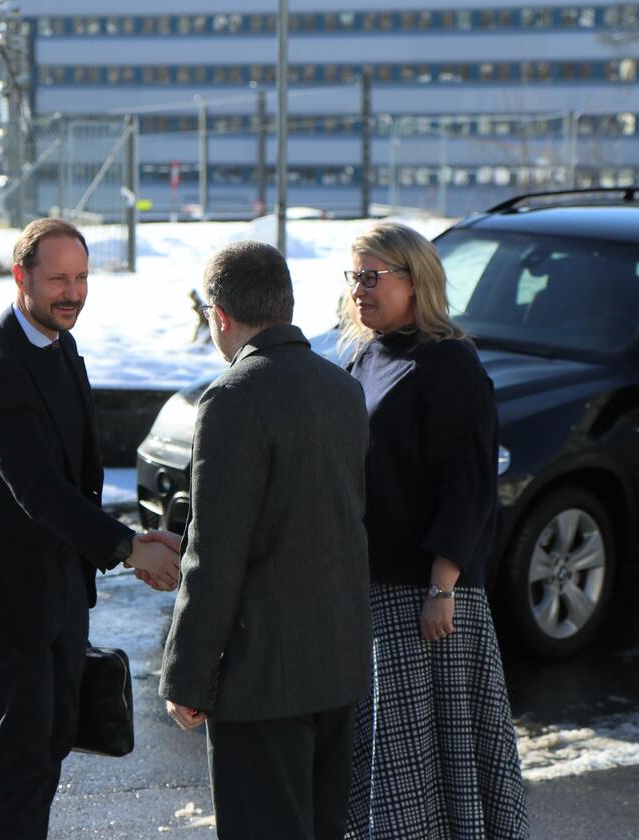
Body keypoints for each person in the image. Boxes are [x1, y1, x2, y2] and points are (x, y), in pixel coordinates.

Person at [0, 218, 181, 840]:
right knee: (18, 761)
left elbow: (75, 480)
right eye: (58, 280)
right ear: (21, 277)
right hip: (10, 595)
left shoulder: (59, 343)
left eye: (82, 278)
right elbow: (36, 488)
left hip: (61, 585)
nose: (73, 293)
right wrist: (128, 548)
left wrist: (132, 539)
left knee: (51, 745)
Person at [158, 241, 373, 840]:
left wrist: (187, 675)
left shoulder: (232, 398)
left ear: (219, 316)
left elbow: (214, 553)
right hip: (337, 665)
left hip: (262, 680)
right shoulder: (343, 389)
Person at [340, 222, 528, 839]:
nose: (360, 290)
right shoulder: (367, 354)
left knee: (437, 769)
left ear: (414, 281)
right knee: (390, 768)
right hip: (375, 588)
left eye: (373, 277)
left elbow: (469, 482)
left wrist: (442, 584)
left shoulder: (449, 362)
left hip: (429, 597)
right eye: (355, 277)